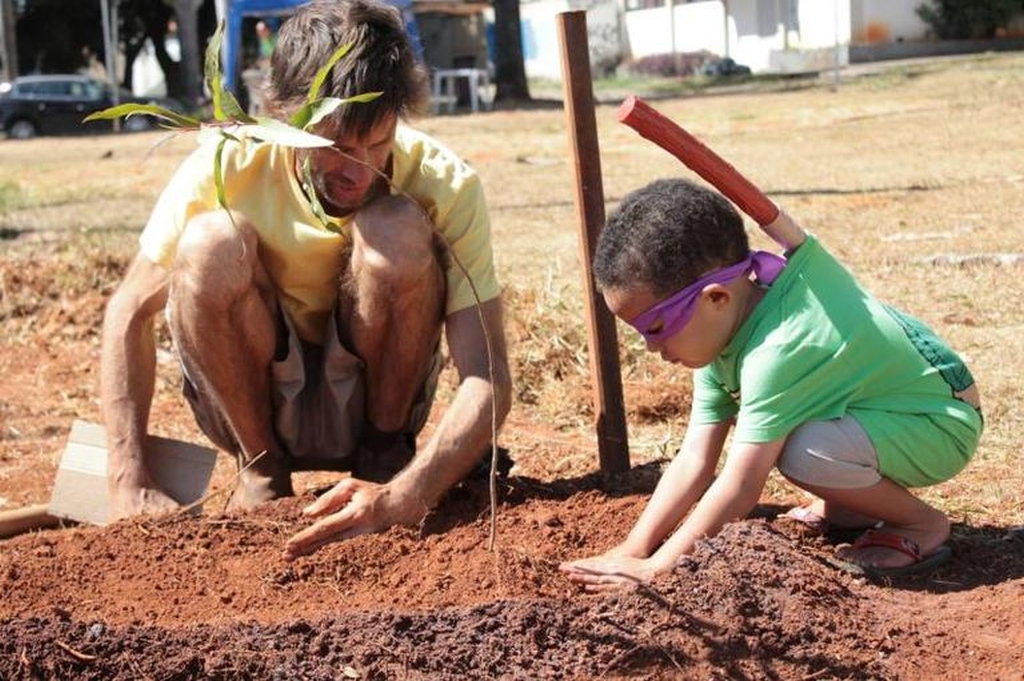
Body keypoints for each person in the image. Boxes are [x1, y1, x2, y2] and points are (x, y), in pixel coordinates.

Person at [100, 0, 511, 559]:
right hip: (256, 401)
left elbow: (487, 378)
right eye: (335, 145)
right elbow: (128, 312)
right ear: (282, 119)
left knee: (394, 228)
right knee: (209, 243)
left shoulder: (446, 183)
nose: (358, 169)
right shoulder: (227, 165)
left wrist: (404, 496)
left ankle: (382, 452)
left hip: (377, 401)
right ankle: (261, 471)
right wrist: (127, 479)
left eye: (377, 142)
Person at [560, 178, 982, 588]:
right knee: (807, 434)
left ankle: (920, 524)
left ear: (716, 298)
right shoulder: (725, 332)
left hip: (940, 421)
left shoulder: (777, 350)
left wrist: (660, 568)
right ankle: (849, 510)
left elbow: (742, 484)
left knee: (805, 452)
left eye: (655, 328)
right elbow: (694, 460)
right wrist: (633, 550)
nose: (651, 347)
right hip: (886, 407)